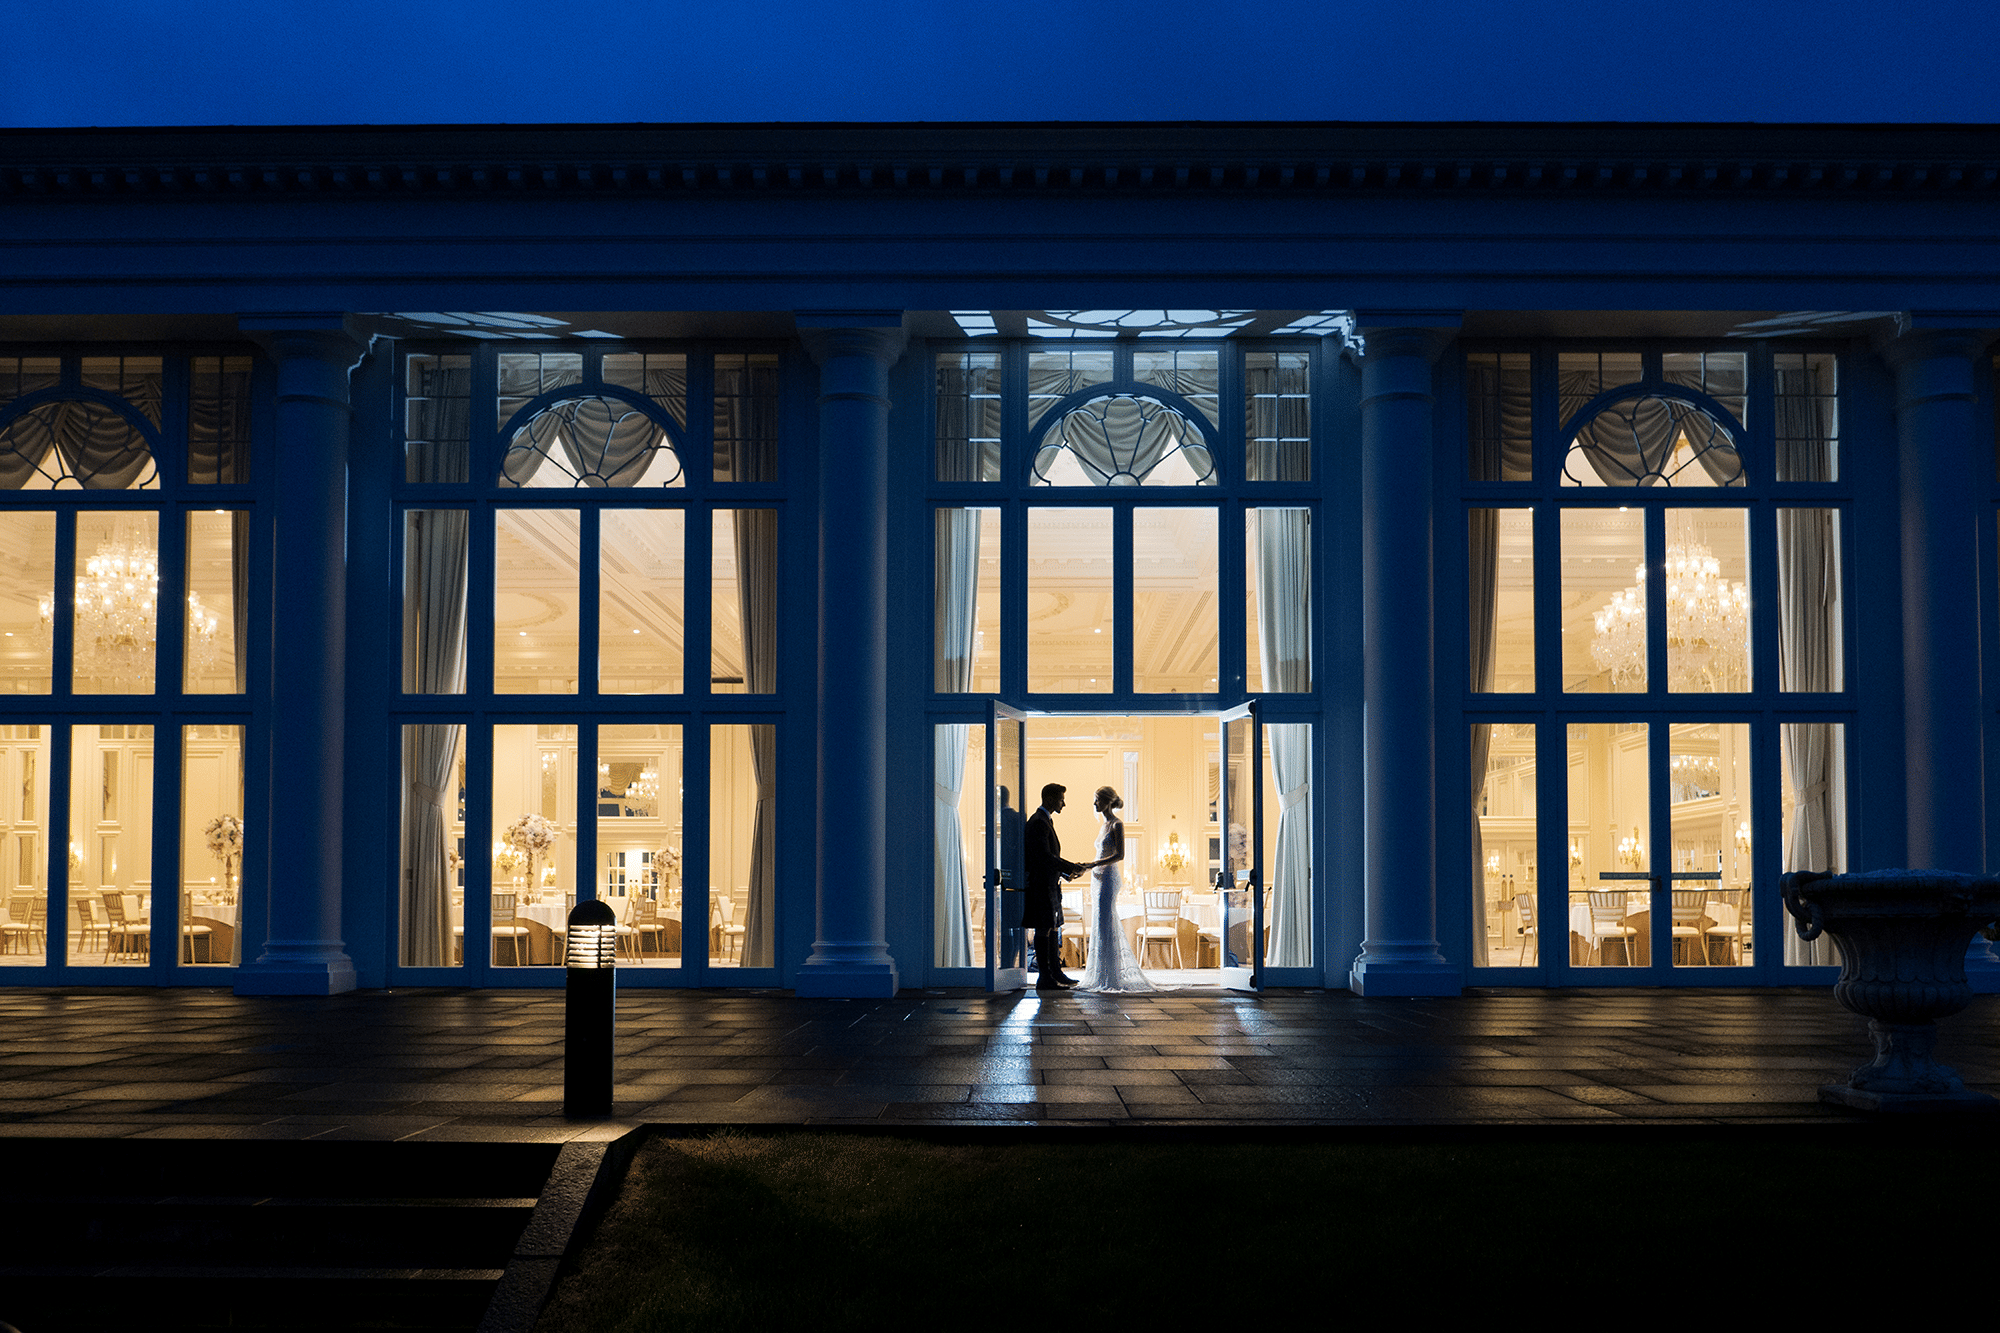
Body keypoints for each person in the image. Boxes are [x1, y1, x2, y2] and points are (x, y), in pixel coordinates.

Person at [1078, 785, 1163, 993]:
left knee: (1105, 920)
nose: (1095, 804)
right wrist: (1091, 867)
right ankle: (1100, 972)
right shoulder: (1103, 826)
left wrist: (1093, 864)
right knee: (1100, 922)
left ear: (1107, 801)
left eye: (1097, 799)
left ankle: (1111, 974)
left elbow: (1119, 855)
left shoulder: (1117, 824)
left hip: (1108, 877)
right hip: (1098, 877)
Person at [1023, 782, 1085, 989]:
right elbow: (1043, 857)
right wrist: (1070, 867)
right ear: (1050, 799)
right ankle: (1045, 977)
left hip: (1049, 884)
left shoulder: (1044, 820)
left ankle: (1055, 972)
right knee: (1044, 929)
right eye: (1061, 799)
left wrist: (1066, 873)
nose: (1064, 804)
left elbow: (1048, 858)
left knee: (1052, 928)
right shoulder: (1039, 822)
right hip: (1041, 886)